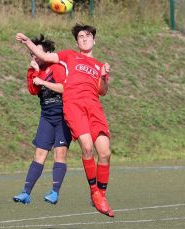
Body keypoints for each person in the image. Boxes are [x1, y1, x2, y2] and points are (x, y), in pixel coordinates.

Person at [16, 24, 114, 217]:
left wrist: (103, 76)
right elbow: (44, 56)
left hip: (94, 106)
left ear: (94, 40)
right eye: (80, 36)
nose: (84, 39)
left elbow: (102, 91)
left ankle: (101, 196)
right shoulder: (69, 55)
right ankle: (94, 192)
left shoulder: (98, 65)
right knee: (87, 148)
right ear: (76, 41)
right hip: (74, 105)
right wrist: (28, 42)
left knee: (105, 152)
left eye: (87, 36)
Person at [13, 34, 72, 206]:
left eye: (38, 52)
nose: (34, 56)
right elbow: (33, 90)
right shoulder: (33, 70)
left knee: (59, 153)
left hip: (62, 116)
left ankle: (54, 192)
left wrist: (43, 82)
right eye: (32, 53)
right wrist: (35, 73)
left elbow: (64, 88)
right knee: (39, 154)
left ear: (47, 53)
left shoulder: (56, 67)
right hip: (46, 116)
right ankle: (26, 192)